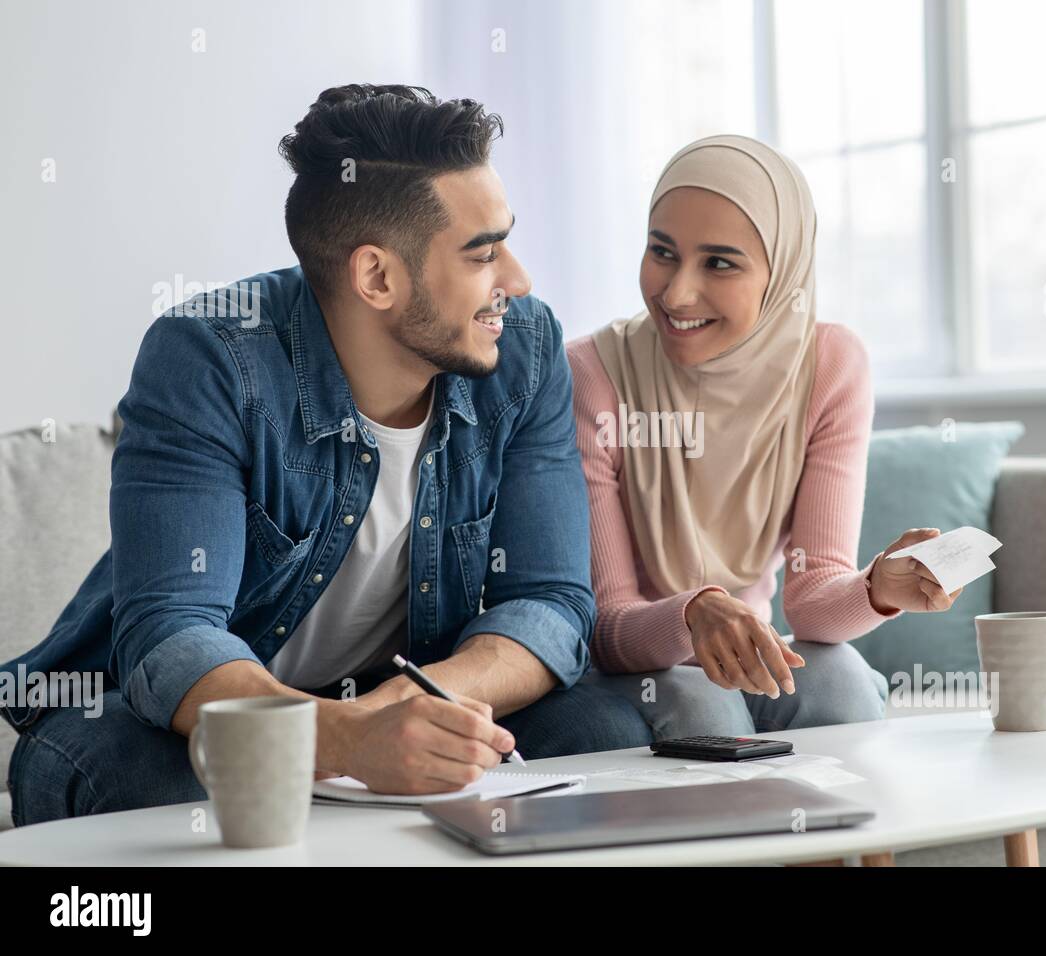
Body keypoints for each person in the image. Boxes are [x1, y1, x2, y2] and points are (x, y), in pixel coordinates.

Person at [1, 84, 651, 826]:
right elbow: (170, 634)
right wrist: (344, 736)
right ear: (377, 277)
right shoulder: (210, 357)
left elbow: (550, 601)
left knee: (602, 731)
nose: (518, 282)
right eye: (483, 255)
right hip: (164, 714)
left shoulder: (523, 350)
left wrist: (417, 701)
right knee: (149, 778)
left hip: (397, 682)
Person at [569, 134, 964, 740]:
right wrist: (695, 612)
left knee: (841, 682)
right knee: (706, 709)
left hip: (751, 649)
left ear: (782, 271)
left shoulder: (829, 367)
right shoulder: (594, 375)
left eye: (719, 263)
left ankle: (836, 838)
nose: (675, 294)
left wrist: (876, 587)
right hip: (637, 663)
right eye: (662, 251)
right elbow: (607, 627)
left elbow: (809, 601)